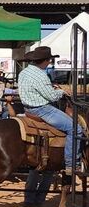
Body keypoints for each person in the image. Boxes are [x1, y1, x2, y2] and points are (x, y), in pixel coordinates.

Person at [18, 46, 83, 175]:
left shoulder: (24, 72)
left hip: (28, 109)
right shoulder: (41, 76)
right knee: (76, 129)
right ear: (45, 60)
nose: (50, 63)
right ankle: (71, 164)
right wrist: (62, 91)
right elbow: (51, 96)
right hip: (42, 109)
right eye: (49, 60)